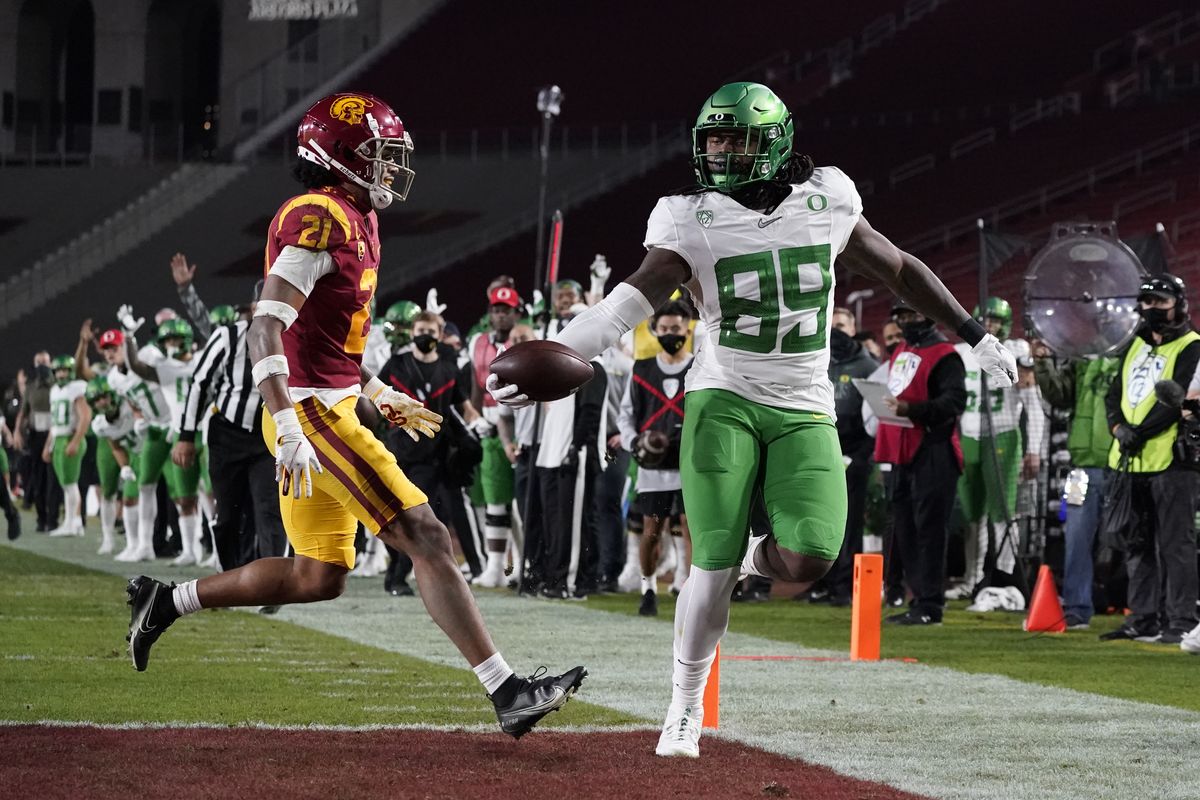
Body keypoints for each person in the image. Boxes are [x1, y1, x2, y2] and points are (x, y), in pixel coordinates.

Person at [488, 81, 1015, 757]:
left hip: (803, 405)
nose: (719, 151)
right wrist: (559, 356)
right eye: (711, 139)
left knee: (813, 555)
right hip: (724, 398)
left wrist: (975, 335)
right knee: (706, 566)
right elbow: (624, 307)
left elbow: (900, 269)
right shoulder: (687, 218)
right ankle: (682, 710)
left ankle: (747, 556)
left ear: (774, 142)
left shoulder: (829, 197)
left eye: (734, 138)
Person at [124, 91, 585, 738]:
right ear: (337, 157)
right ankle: (507, 691)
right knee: (428, 537)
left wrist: (378, 389)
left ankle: (166, 600)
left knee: (318, 579)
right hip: (309, 416)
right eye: (380, 154)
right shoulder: (320, 216)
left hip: (329, 403)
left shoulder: (358, 214)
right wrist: (287, 426)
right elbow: (265, 329)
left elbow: (328, 334)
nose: (393, 167)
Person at [1099, 274, 1200, 645]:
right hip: (1129, 460)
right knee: (1135, 543)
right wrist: (1116, 428)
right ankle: (1142, 618)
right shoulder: (1134, 346)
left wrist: (1136, 432)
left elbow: (1181, 402)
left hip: (1173, 460)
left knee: (1176, 544)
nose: (1151, 309)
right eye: (1147, 303)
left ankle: (1181, 621)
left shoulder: (1193, 346)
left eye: (1160, 302)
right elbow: (1113, 395)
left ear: (1179, 304)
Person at [177, 282, 286, 571]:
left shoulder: (297, 339)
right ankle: (231, 576)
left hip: (269, 436)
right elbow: (200, 383)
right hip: (229, 434)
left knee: (269, 509)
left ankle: (272, 580)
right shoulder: (228, 336)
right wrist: (186, 435)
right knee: (229, 513)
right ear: (252, 309)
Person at [377, 310, 484, 596]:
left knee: (417, 517)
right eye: (421, 329)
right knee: (391, 516)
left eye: (431, 331)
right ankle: (394, 573)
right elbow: (370, 395)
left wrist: (480, 426)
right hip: (396, 451)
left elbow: (463, 407)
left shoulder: (448, 370)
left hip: (431, 455)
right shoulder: (397, 364)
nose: (425, 335)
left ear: (440, 335)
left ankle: (400, 576)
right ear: (412, 332)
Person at [876, 302, 968, 624]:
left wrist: (910, 411)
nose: (905, 321)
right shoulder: (902, 349)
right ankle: (919, 600)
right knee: (906, 528)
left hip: (934, 448)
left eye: (911, 315)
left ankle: (930, 605)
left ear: (926, 316)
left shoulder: (945, 354)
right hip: (904, 450)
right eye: (900, 316)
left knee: (929, 530)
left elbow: (954, 402)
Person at [947, 297, 1044, 599]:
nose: (992, 324)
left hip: (1002, 435)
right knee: (972, 513)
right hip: (969, 435)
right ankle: (972, 579)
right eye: (987, 318)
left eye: (998, 320)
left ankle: (1004, 577)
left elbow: (1033, 403)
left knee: (1003, 509)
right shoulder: (959, 353)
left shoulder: (1015, 350)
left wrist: (1034, 448)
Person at [1032, 338, 1118, 629]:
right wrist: (1043, 362)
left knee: (1135, 540)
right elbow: (1058, 394)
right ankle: (1076, 608)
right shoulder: (1082, 354)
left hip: (1125, 465)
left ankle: (1148, 611)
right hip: (1080, 466)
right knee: (1075, 538)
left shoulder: (1134, 353)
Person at [617, 300, 694, 616]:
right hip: (653, 466)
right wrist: (636, 443)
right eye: (664, 329)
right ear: (654, 330)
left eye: (676, 329)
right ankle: (648, 589)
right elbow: (626, 415)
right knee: (652, 530)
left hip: (690, 462)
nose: (670, 334)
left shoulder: (700, 368)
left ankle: (689, 589)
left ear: (687, 330)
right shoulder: (642, 368)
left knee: (692, 530)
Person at [820, 307, 878, 605]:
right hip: (824, 453)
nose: (836, 331)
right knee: (821, 522)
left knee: (850, 523)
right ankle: (825, 583)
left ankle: (845, 586)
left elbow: (877, 419)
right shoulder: (821, 360)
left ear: (853, 329)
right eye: (831, 325)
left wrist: (860, 457)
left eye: (841, 325)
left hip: (855, 456)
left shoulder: (869, 367)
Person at [466, 286, 522, 587]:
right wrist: (474, 421)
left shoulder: (525, 339)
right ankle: (497, 564)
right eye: (496, 310)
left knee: (515, 503)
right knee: (493, 500)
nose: (500, 315)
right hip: (487, 423)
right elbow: (475, 387)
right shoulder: (478, 342)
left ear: (516, 313)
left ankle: (519, 563)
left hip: (517, 422)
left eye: (506, 310)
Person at [86, 375, 140, 556]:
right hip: (113, 448)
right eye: (97, 400)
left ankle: (139, 540)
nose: (102, 402)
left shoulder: (129, 403)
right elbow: (115, 445)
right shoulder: (99, 423)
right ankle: (108, 537)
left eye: (104, 397)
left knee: (137, 492)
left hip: (138, 448)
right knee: (108, 491)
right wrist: (124, 465)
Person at [44, 355, 91, 536]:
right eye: (59, 371)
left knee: (70, 484)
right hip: (58, 438)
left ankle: (71, 523)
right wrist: (48, 444)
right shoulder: (54, 390)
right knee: (67, 484)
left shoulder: (77, 388)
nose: (62, 374)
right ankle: (74, 522)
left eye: (65, 370)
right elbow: (54, 421)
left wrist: (76, 441)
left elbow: (85, 416)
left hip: (70, 438)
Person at [13, 351, 55, 531]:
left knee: (54, 479)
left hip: (55, 434)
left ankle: (53, 520)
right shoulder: (31, 387)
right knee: (38, 479)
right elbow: (23, 412)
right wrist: (17, 431)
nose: (43, 366)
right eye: (39, 363)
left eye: (45, 362)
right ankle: (42, 519)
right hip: (36, 436)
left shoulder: (58, 385)